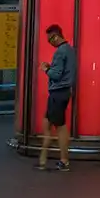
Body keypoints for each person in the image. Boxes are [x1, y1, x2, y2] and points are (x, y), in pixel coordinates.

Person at [36, 24, 75, 171]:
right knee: (49, 123)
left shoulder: (60, 52)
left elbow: (56, 75)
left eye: (49, 39)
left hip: (58, 93)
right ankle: (43, 158)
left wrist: (46, 69)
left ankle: (64, 161)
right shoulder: (70, 50)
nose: (49, 42)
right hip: (64, 92)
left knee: (60, 127)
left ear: (55, 37)